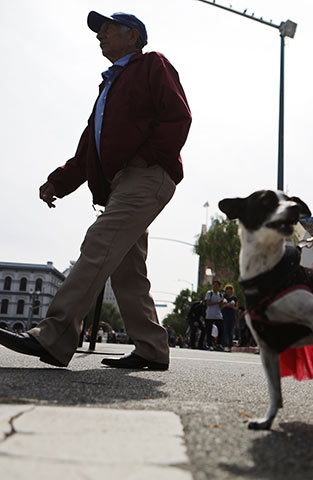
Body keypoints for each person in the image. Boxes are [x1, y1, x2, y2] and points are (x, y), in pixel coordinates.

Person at [0, 11, 191, 370]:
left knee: (99, 242)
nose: (99, 36)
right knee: (126, 269)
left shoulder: (152, 64)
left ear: (132, 36)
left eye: (107, 29)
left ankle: (53, 335)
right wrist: (58, 181)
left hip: (146, 176)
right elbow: (89, 150)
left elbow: (178, 117)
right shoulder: (107, 88)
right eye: (99, 31)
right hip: (121, 184)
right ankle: (152, 348)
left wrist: (147, 158)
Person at [202, 281, 224, 350]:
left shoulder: (220, 295)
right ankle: (209, 344)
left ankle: (219, 344)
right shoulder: (209, 293)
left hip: (218, 315)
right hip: (210, 314)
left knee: (221, 329)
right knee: (209, 330)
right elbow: (208, 302)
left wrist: (221, 303)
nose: (215, 286)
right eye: (214, 285)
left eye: (217, 285)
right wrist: (217, 302)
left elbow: (221, 306)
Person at [220, 284, 238, 352]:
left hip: (232, 316)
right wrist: (227, 305)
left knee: (231, 331)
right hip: (225, 315)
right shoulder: (223, 298)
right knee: (225, 331)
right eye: (227, 290)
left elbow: (236, 307)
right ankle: (224, 346)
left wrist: (231, 306)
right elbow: (221, 307)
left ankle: (230, 346)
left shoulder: (234, 298)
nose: (229, 292)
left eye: (230, 290)